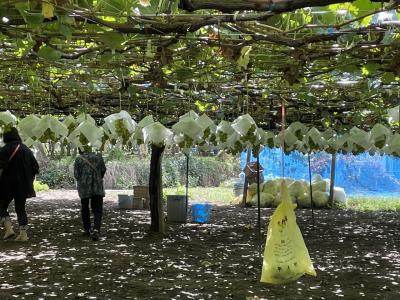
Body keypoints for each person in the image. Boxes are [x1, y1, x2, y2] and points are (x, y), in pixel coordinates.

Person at [0, 127, 39, 241]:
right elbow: (35, 168)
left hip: (7, 185)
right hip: (23, 185)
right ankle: (23, 234)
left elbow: (1, 169)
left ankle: (8, 228)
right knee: (20, 208)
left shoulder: (4, 150)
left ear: (5, 137)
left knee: (2, 206)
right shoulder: (27, 149)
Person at [74, 147, 106, 241]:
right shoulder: (99, 157)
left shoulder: (79, 159)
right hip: (97, 187)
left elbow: (76, 175)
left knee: (85, 208)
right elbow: (103, 170)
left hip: (84, 188)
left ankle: (87, 229)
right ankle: (96, 229)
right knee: (98, 209)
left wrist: (83, 179)